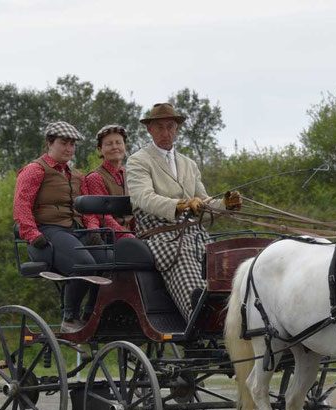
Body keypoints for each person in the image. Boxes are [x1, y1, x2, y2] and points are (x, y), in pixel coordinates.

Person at [127, 102, 241, 320]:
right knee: (183, 253)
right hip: (158, 233)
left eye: (170, 127)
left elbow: (203, 202)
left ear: (177, 129)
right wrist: (181, 204)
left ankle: (229, 310)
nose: (165, 133)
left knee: (218, 254)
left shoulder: (188, 164)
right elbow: (143, 198)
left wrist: (225, 205)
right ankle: (198, 313)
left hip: (193, 231)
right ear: (149, 130)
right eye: (159, 127)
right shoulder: (138, 161)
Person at [13, 121, 111, 333]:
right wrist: (32, 234)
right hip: (48, 232)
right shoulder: (35, 170)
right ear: (49, 143)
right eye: (63, 143)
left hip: (75, 230)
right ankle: (70, 317)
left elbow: (89, 208)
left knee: (111, 262)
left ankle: (91, 315)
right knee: (84, 264)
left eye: (72, 144)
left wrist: (93, 228)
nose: (69, 148)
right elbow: (21, 206)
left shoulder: (77, 175)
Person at [81, 124, 136, 240]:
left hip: (132, 234)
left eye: (118, 142)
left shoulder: (129, 175)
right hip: (110, 238)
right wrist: (127, 236)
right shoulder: (95, 177)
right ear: (100, 149)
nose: (115, 147)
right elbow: (104, 217)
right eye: (109, 144)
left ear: (125, 146)